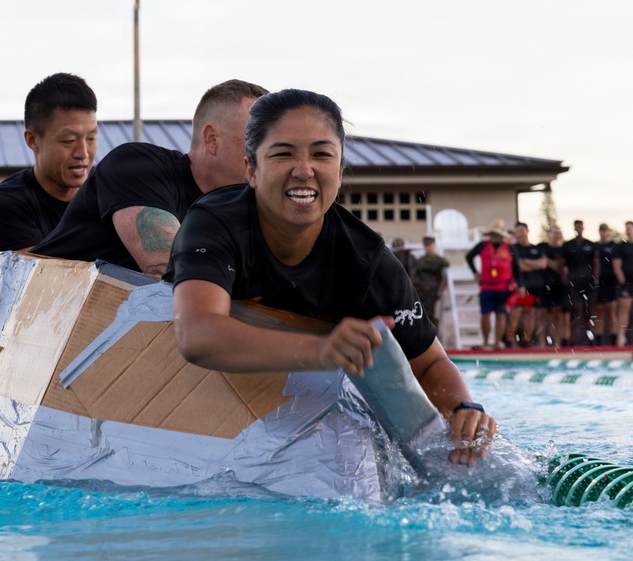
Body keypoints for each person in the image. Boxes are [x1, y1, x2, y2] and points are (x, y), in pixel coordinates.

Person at [166, 88, 496, 466]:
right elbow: (196, 335)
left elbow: (429, 363)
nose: (304, 170)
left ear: (339, 173)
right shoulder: (214, 223)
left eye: (322, 155)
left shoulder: (367, 261)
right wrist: (322, 350)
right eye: (283, 153)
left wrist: (465, 409)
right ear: (251, 170)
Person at [31, 79, 269, 277]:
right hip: (33, 310)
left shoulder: (246, 210)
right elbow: (174, 274)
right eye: (258, 140)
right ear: (212, 139)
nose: (271, 154)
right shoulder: (136, 165)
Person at [0, 73, 99, 253]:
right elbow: (38, 270)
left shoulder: (107, 198)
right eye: (68, 140)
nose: (83, 153)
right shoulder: (1, 207)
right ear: (32, 140)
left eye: (91, 138)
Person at [465, 219, 518, 350]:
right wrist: (475, 272)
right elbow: (469, 257)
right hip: (486, 286)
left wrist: (518, 284)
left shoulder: (509, 248)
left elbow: (517, 267)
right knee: (485, 314)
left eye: (498, 235)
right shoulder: (482, 245)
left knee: (501, 314)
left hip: (504, 286)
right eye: (493, 234)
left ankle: (497, 341)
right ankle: (485, 342)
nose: (495, 237)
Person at [507, 222, 546, 348]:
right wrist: (533, 264)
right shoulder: (514, 249)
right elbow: (518, 267)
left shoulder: (536, 248)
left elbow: (543, 264)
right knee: (516, 313)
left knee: (531, 313)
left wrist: (525, 262)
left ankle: (526, 339)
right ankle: (509, 339)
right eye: (518, 230)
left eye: (522, 230)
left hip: (535, 285)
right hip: (519, 285)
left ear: (527, 231)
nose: (520, 233)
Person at [562, 219, 597, 345]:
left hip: (587, 281)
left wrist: (595, 278)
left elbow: (596, 263)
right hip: (574, 281)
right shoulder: (568, 245)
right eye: (576, 227)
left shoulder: (590, 244)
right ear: (574, 228)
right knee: (574, 310)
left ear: (583, 228)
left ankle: (590, 336)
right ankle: (572, 338)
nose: (578, 229)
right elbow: (562, 264)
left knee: (589, 309)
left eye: (580, 227)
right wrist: (565, 279)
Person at [539, 225, 570, 347]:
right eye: (554, 233)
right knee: (542, 315)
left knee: (556, 315)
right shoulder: (542, 247)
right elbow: (539, 264)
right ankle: (541, 343)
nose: (556, 235)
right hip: (543, 285)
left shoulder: (563, 250)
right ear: (549, 234)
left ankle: (557, 342)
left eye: (558, 233)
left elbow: (559, 268)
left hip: (558, 285)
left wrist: (547, 261)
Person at [411, 236, 449, 334]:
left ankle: (433, 335)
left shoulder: (441, 261)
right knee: (420, 314)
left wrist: (439, 291)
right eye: (426, 245)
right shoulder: (419, 261)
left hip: (434, 294)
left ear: (434, 245)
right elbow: (414, 276)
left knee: (433, 315)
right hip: (421, 293)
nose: (428, 248)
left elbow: (444, 278)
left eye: (430, 245)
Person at [593, 223, 620, 345]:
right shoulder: (595, 246)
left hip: (611, 281)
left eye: (605, 230)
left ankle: (613, 337)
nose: (603, 233)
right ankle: (598, 338)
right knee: (598, 311)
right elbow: (595, 264)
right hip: (599, 282)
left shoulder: (614, 246)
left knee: (611, 310)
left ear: (609, 232)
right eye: (601, 230)